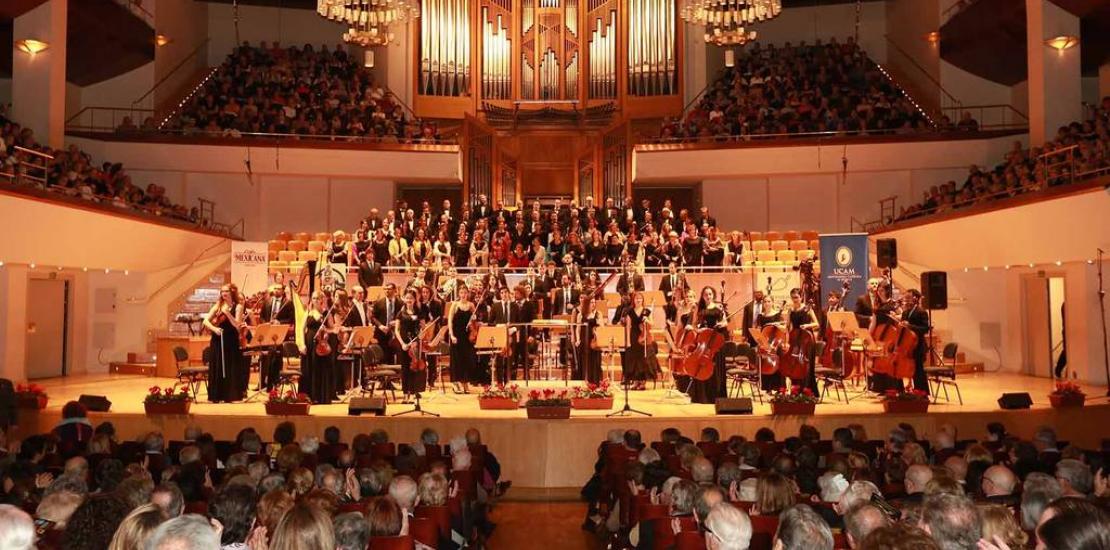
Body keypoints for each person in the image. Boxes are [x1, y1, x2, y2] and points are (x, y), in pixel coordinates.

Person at [685, 286, 729, 404]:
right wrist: (698, 330)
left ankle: (716, 395)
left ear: (713, 295)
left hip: (715, 342)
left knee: (714, 368)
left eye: (710, 294)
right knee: (702, 365)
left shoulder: (719, 308)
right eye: (706, 294)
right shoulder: (699, 309)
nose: (708, 296)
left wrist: (721, 324)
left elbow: (725, 322)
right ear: (703, 296)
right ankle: (702, 397)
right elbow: (694, 325)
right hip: (704, 342)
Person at [203, 284, 246, 403]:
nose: (224, 293)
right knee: (218, 366)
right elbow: (206, 321)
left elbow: (237, 325)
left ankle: (231, 395)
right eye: (222, 291)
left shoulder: (238, 307)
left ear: (232, 292)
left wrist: (227, 313)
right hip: (218, 338)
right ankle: (217, 395)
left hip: (230, 339)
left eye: (226, 291)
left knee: (230, 366)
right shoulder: (218, 305)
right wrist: (214, 329)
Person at [301, 290, 338, 405]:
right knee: (310, 368)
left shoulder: (327, 313)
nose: (316, 300)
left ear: (322, 300)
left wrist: (326, 330)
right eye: (314, 298)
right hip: (310, 343)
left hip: (322, 343)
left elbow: (334, 329)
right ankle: (310, 396)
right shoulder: (308, 312)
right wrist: (302, 344)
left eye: (318, 298)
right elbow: (302, 330)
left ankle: (321, 396)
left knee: (321, 369)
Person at [258, 283, 295, 390]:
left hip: (279, 333)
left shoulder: (288, 303)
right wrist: (266, 324)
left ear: (283, 291)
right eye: (275, 289)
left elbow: (291, 319)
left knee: (276, 358)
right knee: (265, 358)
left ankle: (275, 382)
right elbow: (262, 316)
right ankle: (263, 383)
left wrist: (279, 322)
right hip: (267, 332)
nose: (276, 291)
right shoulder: (267, 301)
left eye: (279, 289)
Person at [784, 288, 820, 393]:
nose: (794, 300)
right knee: (795, 362)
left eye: (796, 297)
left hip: (807, 340)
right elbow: (788, 326)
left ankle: (807, 389)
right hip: (795, 339)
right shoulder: (790, 310)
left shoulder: (807, 308)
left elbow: (816, 324)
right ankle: (796, 388)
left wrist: (807, 325)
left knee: (806, 364)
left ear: (801, 297)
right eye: (792, 297)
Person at [619, 291, 655, 391]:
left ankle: (642, 382)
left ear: (643, 300)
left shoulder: (647, 311)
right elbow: (628, 326)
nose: (638, 300)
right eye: (636, 298)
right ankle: (635, 382)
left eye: (640, 298)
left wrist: (647, 320)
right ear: (633, 300)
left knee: (642, 359)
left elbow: (652, 323)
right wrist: (627, 341)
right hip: (633, 336)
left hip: (643, 336)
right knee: (633, 359)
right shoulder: (630, 311)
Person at [396, 288, 427, 401]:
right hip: (405, 344)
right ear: (404, 299)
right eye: (407, 298)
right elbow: (397, 330)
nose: (409, 300)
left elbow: (424, 328)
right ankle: (405, 393)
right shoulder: (400, 313)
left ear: (415, 300)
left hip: (416, 344)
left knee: (416, 368)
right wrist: (402, 343)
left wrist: (422, 335)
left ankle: (414, 392)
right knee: (405, 369)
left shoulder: (419, 312)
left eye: (411, 298)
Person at [899, 289, 931, 395]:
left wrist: (910, 326)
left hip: (918, 347)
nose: (906, 301)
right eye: (905, 298)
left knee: (918, 372)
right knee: (908, 371)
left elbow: (925, 329)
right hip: (907, 347)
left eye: (908, 298)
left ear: (915, 299)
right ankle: (907, 391)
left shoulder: (921, 312)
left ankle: (922, 394)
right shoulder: (905, 312)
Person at [448, 285, 479, 394]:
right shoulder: (455, 305)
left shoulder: (471, 305)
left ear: (468, 294)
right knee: (457, 360)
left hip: (467, 336)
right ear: (459, 294)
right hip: (457, 335)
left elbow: (475, 321)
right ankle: (456, 383)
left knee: (467, 359)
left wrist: (474, 319)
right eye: (461, 293)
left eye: (465, 293)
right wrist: (451, 335)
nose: (463, 295)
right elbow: (450, 322)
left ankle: (465, 382)